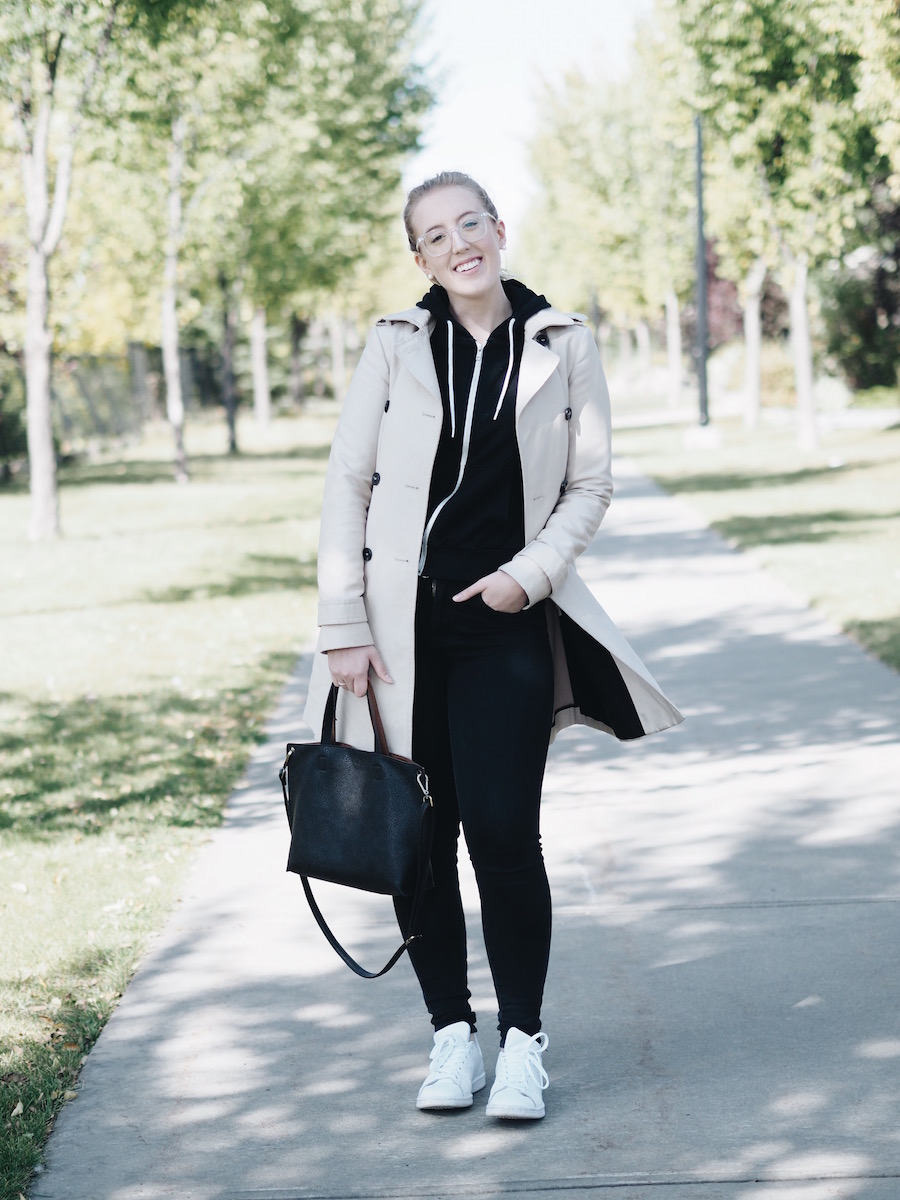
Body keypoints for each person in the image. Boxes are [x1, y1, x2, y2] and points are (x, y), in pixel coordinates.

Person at [303, 171, 682, 1121]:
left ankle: (521, 1042)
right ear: (420, 257)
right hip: (398, 635)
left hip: (504, 624)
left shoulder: (564, 342)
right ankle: (449, 1037)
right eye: (436, 234)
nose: (459, 243)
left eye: (471, 222)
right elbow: (347, 485)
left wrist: (531, 573)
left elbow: (590, 487)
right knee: (417, 837)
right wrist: (343, 623)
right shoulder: (396, 345)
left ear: (500, 229)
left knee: (505, 836)